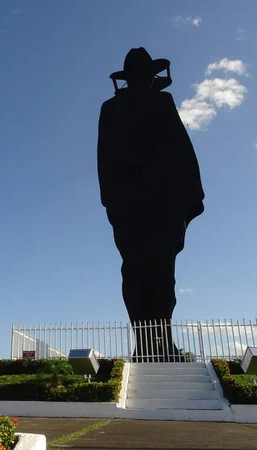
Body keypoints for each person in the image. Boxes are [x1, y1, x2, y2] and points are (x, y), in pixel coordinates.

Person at [97, 47, 205, 362]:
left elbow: (180, 148)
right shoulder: (145, 104)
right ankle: (148, 344)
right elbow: (181, 149)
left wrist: (112, 202)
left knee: (149, 273)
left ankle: (158, 344)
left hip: (146, 203)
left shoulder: (124, 106)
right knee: (147, 273)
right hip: (148, 203)